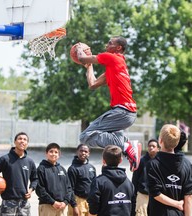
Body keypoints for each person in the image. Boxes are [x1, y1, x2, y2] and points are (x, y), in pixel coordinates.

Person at [76, 36, 141, 171]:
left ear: (118, 48)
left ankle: (126, 145)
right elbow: (92, 84)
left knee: (84, 136)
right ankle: (125, 144)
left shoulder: (113, 58)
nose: (106, 45)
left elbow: (81, 58)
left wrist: (79, 47)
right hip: (126, 113)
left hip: (122, 112)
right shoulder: (116, 66)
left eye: (110, 43)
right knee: (111, 140)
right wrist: (89, 66)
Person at [146, 124, 192, 216]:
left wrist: (176, 203)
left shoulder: (153, 164)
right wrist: (177, 204)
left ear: (160, 141)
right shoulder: (187, 165)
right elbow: (188, 196)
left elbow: (155, 193)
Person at [0, 132, 38, 216]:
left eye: (25, 139)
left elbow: (35, 179)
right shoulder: (5, 159)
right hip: (8, 202)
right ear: (15, 142)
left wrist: (31, 189)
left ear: (27, 144)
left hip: (24, 203)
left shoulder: (30, 162)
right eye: (20, 139)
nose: (22, 141)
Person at [87, 145, 136, 216]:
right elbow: (133, 207)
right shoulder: (129, 183)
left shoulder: (98, 182)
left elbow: (93, 209)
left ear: (103, 160)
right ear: (121, 160)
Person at [36, 143, 76, 216]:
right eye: (51, 151)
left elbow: (69, 188)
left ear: (59, 154)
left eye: (56, 152)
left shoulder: (62, 169)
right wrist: (53, 202)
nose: (53, 154)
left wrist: (65, 202)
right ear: (46, 153)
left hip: (62, 207)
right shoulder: (41, 169)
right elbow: (40, 189)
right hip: (47, 206)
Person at [132, 139, 159, 216]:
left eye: (153, 146)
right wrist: (133, 195)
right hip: (142, 194)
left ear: (158, 149)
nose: (151, 148)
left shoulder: (160, 162)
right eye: (150, 146)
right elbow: (135, 179)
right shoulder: (141, 161)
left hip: (156, 196)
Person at [67, 144, 96, 216]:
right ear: (77, 152)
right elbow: (69, 189)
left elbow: (95, 185)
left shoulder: (92, 168)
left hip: (90, 201)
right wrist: (74, 206)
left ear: (89, 153)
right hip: (78, 201)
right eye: (81, 151)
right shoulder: (72, 169)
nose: (83, 153)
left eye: (86, 151)